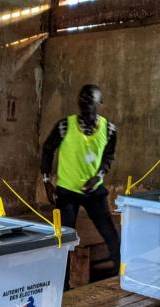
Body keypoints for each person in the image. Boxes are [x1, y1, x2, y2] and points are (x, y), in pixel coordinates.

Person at [40, 84, 120, 291]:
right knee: (64, 240)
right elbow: (48, 149)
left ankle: (120, 275)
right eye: (82, 101)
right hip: (67, 192)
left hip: (94, 191)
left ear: (99, 103)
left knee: (110, 234)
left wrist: (98, 176)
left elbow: (108, 157)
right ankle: (62, 286)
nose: (85, 105)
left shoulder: (109, 130)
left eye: (90, 101)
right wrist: (47, 181)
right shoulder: (65, 126)